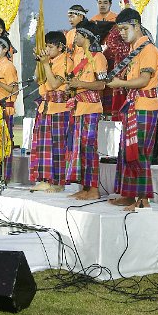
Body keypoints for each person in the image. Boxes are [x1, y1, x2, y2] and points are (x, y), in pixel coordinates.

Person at [106, 8, 158, 210]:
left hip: (144, 106)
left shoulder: (148, 50)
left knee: (139, 153)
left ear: (136, 25)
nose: (121, 33)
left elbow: (144, 80)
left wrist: (119, 82)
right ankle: (129, 195)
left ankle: (142, 200)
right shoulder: (134, 50)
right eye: (119, 29)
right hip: (133, 106)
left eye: (124, 28)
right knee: (127, 151)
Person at [65, 20, 108, 200]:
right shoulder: (78, 57)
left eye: (77, 34)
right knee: (80, 150)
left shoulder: (99, 58)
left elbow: (102, 84)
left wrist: (79, 84)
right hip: (79, 108)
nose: (74, 38)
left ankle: (93, 190)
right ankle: (84, 188)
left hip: (91, 108)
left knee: (89, 149)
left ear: (86, 36)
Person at [29, 31, 70, 193]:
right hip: (45, 108)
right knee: (43, 146)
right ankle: (46, 179)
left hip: (59, 109)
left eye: (50, 46)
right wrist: (41, 62)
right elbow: (37, 78)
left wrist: (45, 64)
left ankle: (59, 183)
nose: (47, 49)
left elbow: (53, 85)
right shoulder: (50, 61)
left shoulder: (65, 61)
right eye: (46, 46)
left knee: (58, 147)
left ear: (60, 47)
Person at [0, 35, 19, 179]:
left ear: (5, 50)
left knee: (5, 142)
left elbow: (15, 90)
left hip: (5, 109)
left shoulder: (8, 66)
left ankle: (5, 176)